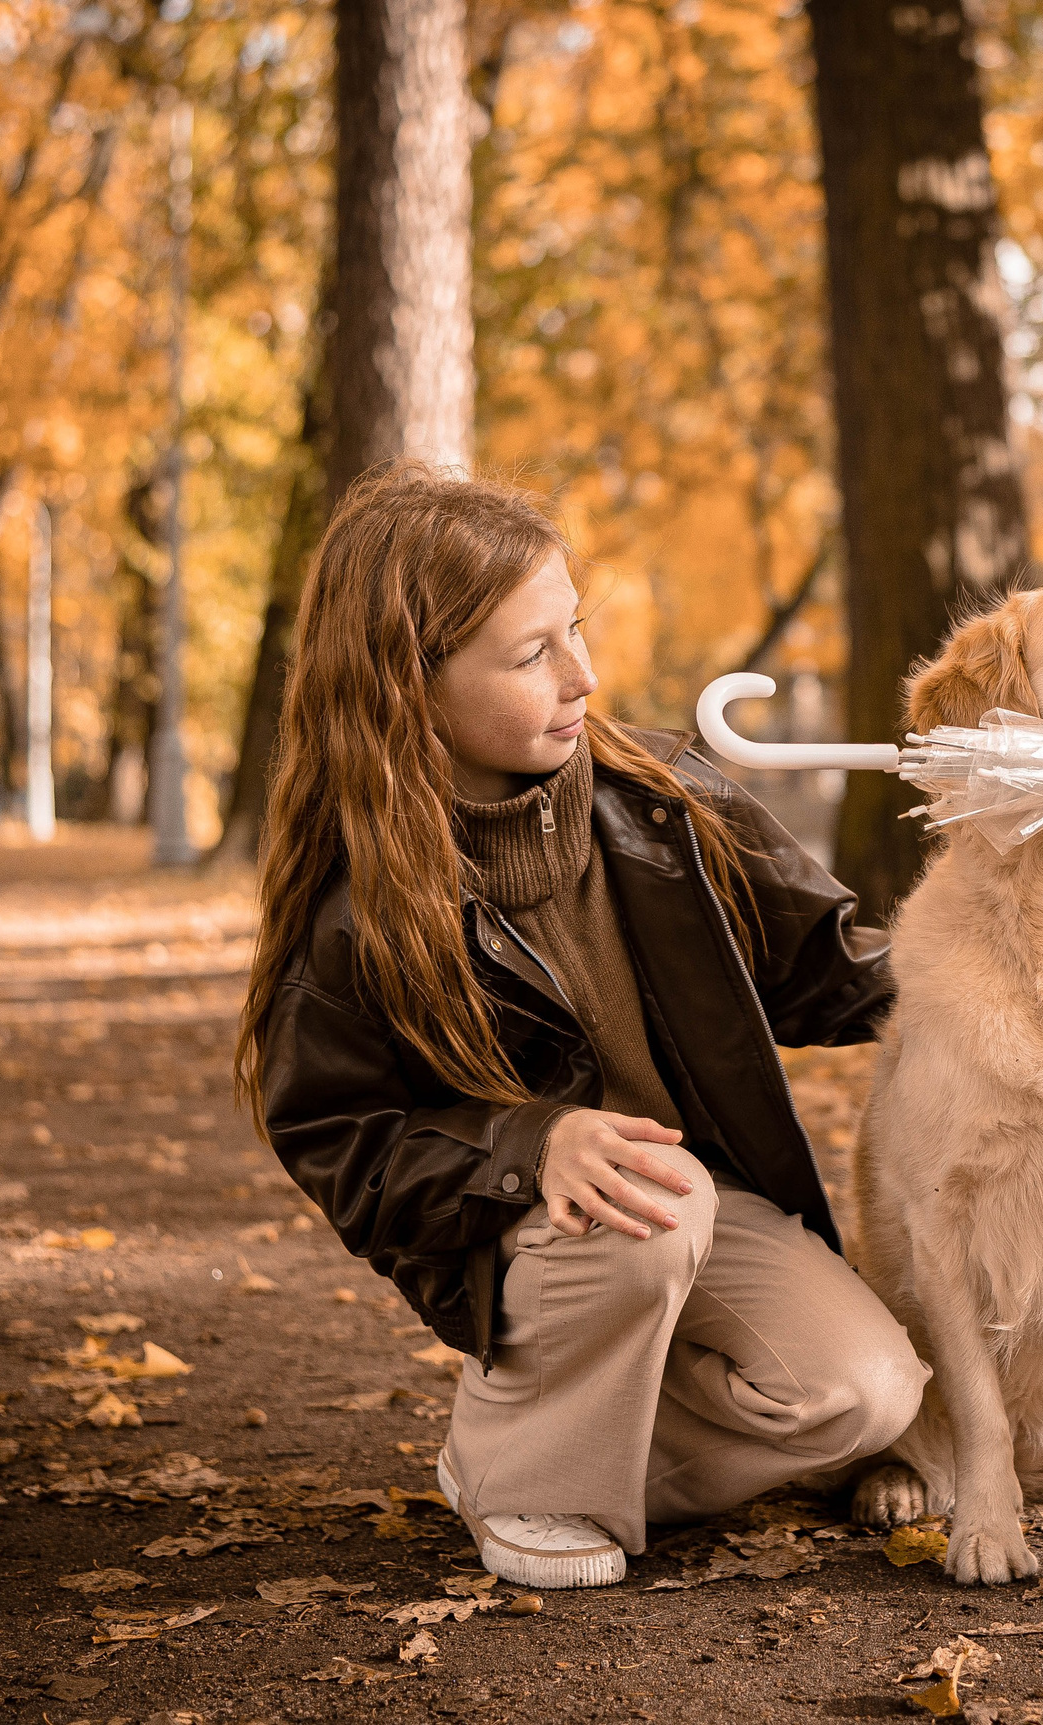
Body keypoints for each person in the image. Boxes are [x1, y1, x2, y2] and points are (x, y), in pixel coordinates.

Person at [233, 461, 927, 1591]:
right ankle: (537, 1478)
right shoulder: (358, 909)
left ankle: (524, 1461)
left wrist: (1029, 866)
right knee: (654, 1206)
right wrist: (530, 1144)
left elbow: (832, 976)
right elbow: (338, 1142)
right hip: (546, 1229)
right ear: (411, 688)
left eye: (574, 630)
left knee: (864, 1394)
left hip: (686, 1205)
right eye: (530, 655)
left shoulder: (671, 796)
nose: (583, 674)